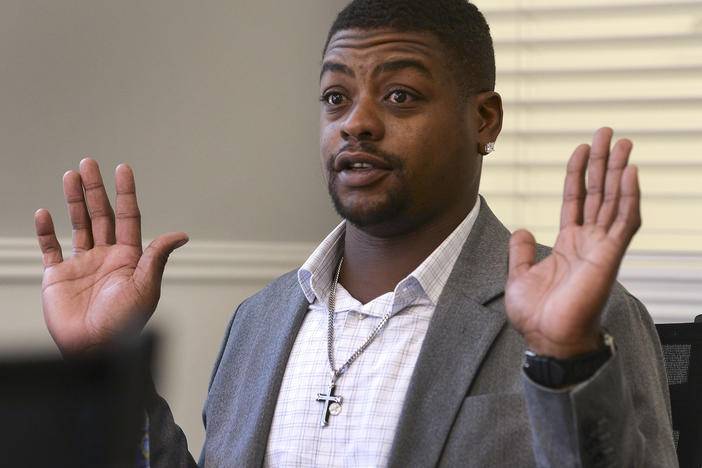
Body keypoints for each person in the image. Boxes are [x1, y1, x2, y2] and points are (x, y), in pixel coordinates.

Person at [34, 0, 676, 466]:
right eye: (336, 99)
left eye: (399, 96)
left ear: (483, 120)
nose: (356, 123)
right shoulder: (258, 322)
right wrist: (103, 366)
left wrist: (567, 359)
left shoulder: (585, 320)